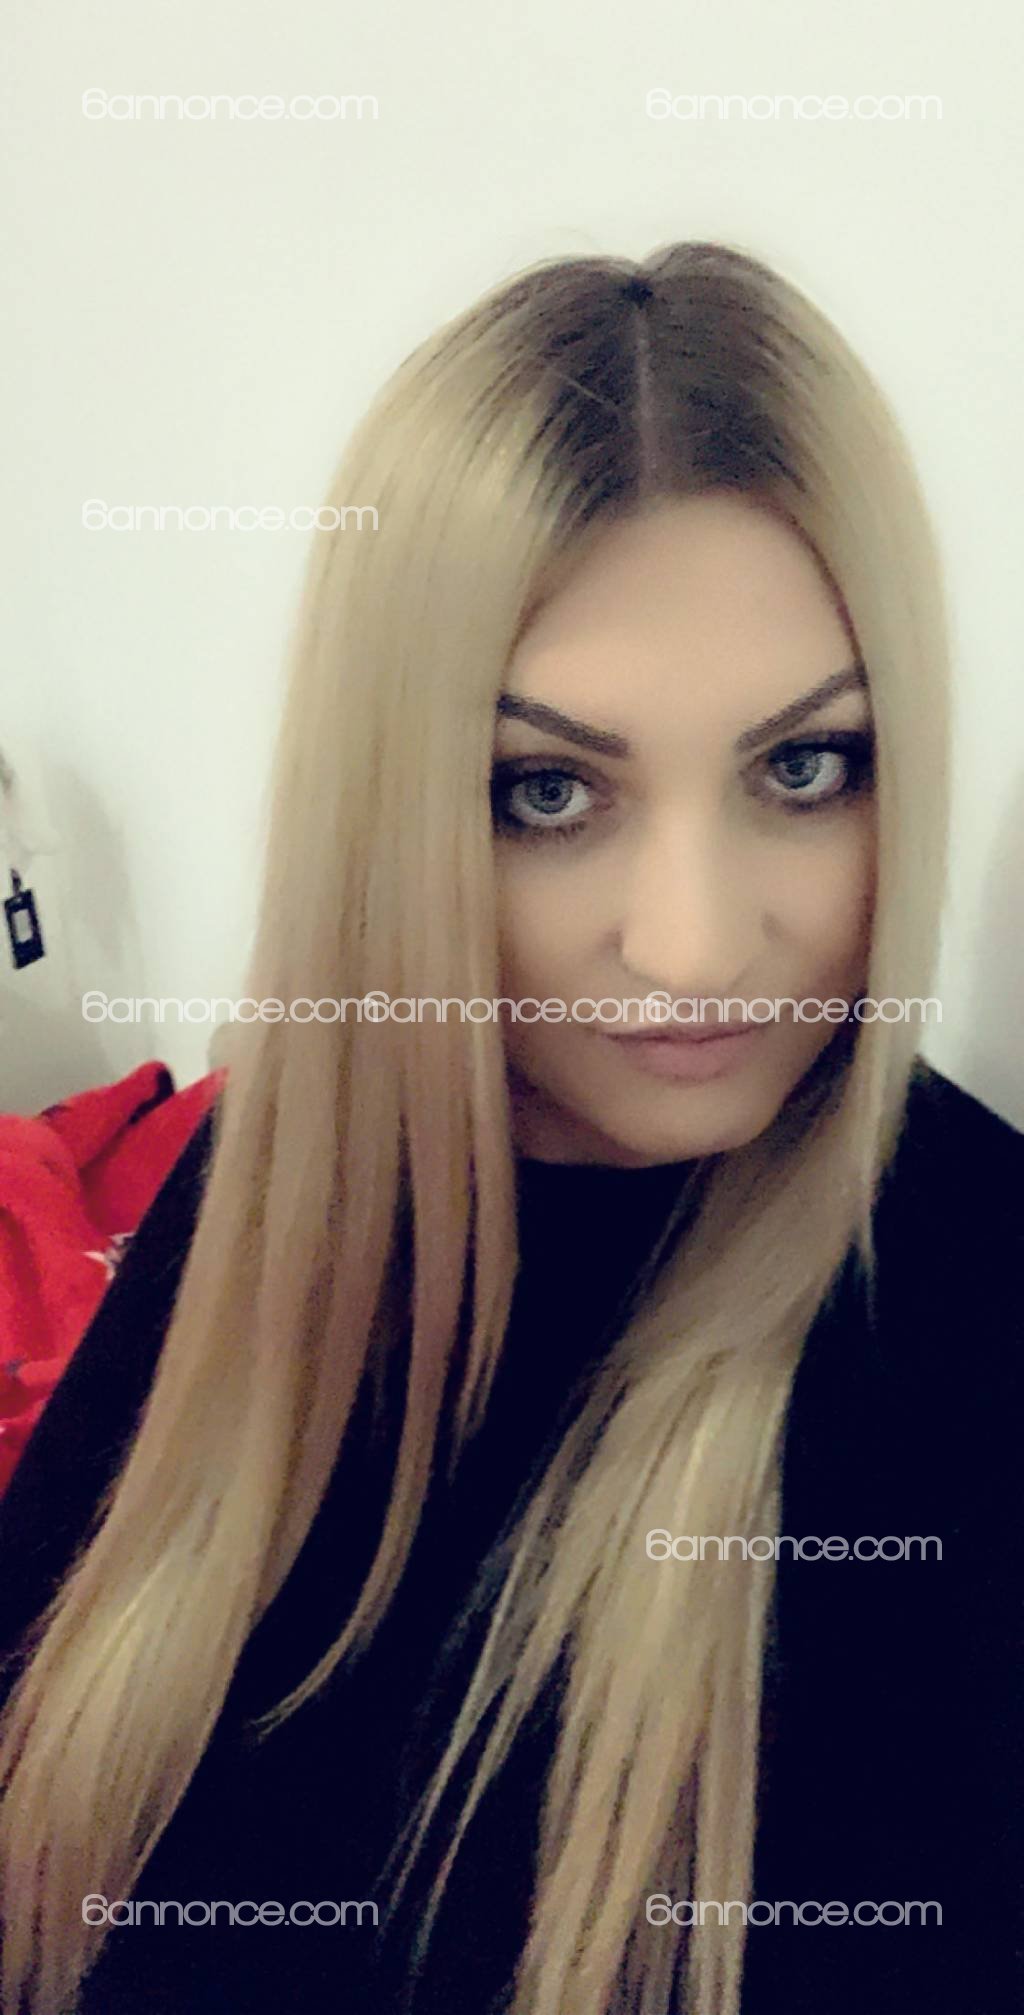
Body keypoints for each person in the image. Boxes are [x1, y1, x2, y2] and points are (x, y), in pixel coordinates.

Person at [0, 244, 1021, 2015]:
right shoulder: (259, 1197)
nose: (693, 950)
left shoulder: (968, 1315)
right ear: (394, 809)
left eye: (802, 768)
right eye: (547, 790)